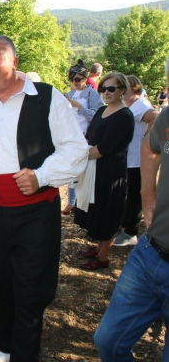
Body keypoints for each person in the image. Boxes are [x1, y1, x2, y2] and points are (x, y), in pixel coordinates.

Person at [0, 35, 88, 362]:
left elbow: (77, 149)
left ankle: (25, 356)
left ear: (14, 60)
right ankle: (6, 348)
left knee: (30, 290)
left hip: (37, 212)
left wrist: (40, 176)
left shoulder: (46, 97)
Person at [93, 57, 169, 360]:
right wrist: (148, 196)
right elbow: (151, 147)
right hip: (150, 254)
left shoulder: (131, 113)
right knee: (109, 341)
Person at [74, 72, 135, 270]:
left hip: (111, 173)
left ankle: (103, 259)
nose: (106, 92)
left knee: (108, 214)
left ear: (122, 90)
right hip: (95, 169)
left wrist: (76, 158)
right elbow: (91, 137)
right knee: (98, 211)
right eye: (103, 88)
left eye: (111, 89)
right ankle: (98, 250)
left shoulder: (124, 116)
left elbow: (104, 148)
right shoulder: (101, 110)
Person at [114, 75, 158, 247]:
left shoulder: (140, 105)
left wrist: (148, 141)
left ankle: (131, 233)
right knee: (127, 195)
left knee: (134, 197)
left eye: (125, 88)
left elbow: (155, 117)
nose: (122, 91)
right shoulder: (132, 105)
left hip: (137, 160)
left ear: (134, 88)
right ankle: (125, 226)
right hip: (129, 158)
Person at [61, 61, 103, 215]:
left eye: (77, 79)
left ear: (85, 78)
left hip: (86, 138)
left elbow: (98, 117)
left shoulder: (92, 94)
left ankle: (84, 204)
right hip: (71, 138)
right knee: (72, 172)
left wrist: (79, 107)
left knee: (85, 174)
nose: (74, 83)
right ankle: (72, 203)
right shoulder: (70, 94)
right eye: (71, 79)